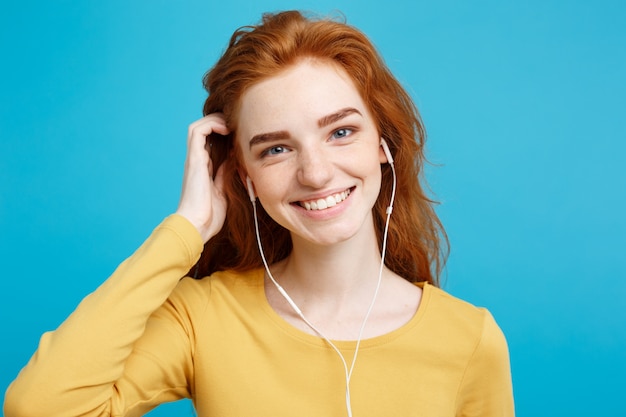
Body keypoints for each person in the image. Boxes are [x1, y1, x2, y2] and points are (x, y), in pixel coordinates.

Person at [4, 10, 514, 417]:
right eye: (275, 149)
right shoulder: (200, 318)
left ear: (383, 144)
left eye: (341, 131)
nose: (315, 173)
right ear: (244, 177)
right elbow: (40, 407)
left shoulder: (470, 340)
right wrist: (185, 230)